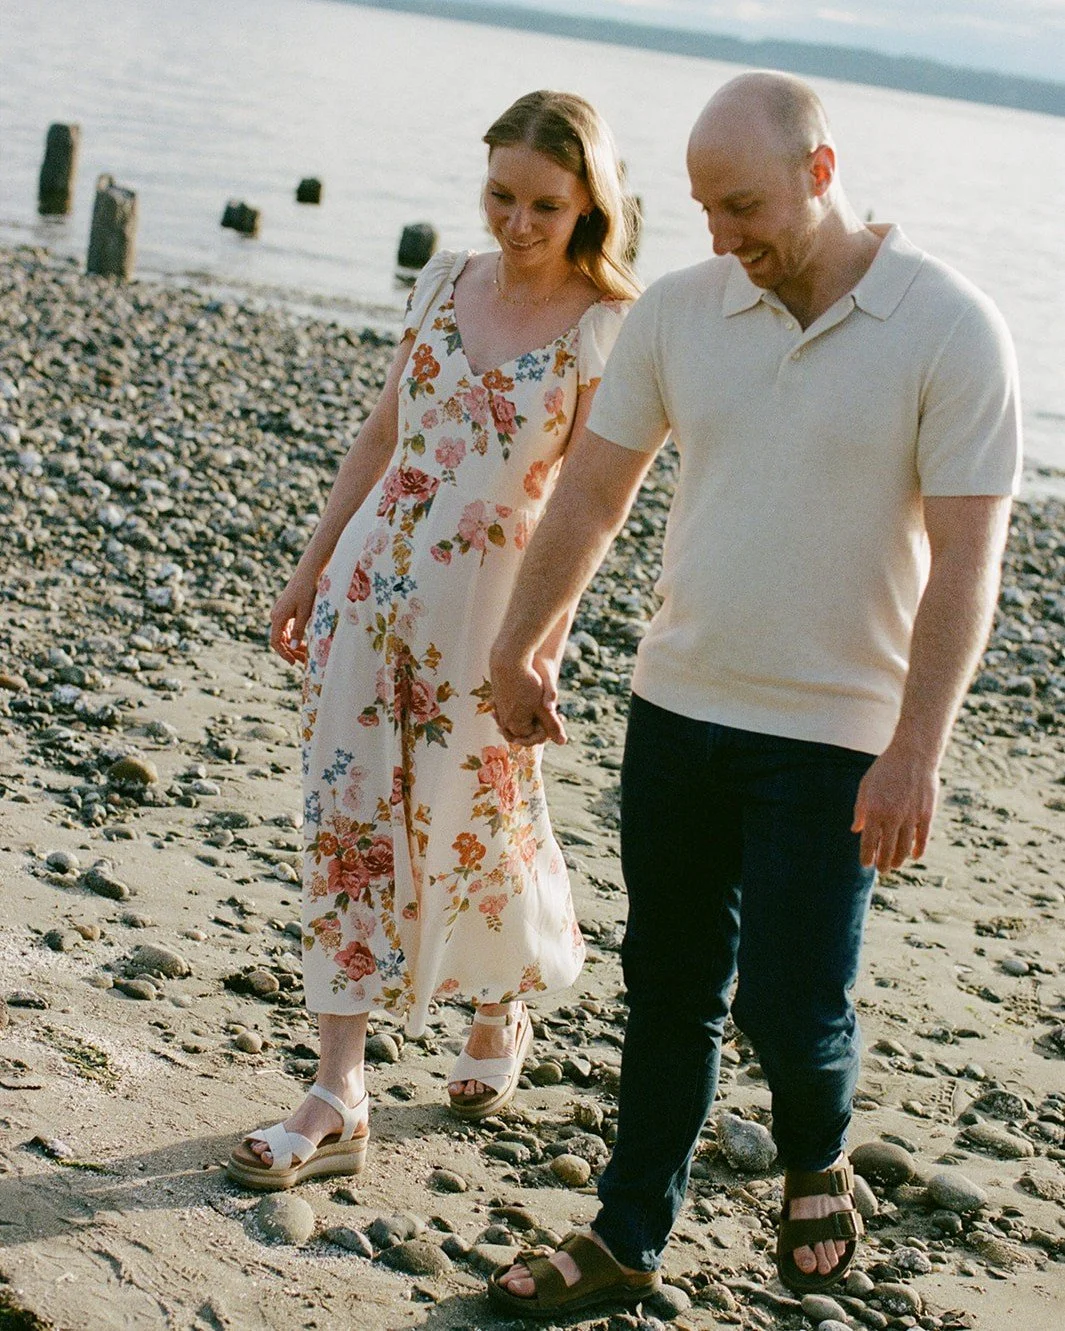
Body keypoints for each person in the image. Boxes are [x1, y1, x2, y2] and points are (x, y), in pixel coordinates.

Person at [486, 70, 1021, 1316]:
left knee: (793, 1000)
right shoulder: (680, 310)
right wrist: (526, 640)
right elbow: (591, 494)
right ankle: (628, 1231)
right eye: (702, 210)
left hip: (834, 737)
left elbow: (968, 567)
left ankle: (816, 1156)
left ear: (821, 173)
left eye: (742, 206)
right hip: (677, 709)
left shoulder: (950, 326)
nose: (721, 237)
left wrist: (917, 750)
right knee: (668, 984)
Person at [225, 90, 640, 1190]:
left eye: (544, 205)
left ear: (590, 201)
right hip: (374, 584)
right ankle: (338, 1086)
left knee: (484, 815)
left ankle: (501, 1004)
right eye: (500, 194)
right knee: (347, 818)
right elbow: (384, 427)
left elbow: (594, 502)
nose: (515, 221)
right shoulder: (444, 278)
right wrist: (311, 568)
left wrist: (539, 639)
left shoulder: (606, 322)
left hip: (491, 615)